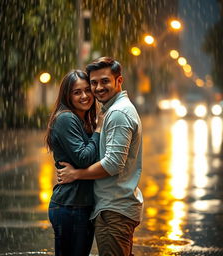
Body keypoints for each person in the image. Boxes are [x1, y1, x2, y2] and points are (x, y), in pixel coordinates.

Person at [57, 57, 144, 256]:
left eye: (104, 81)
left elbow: (112, 164)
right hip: (114, 206)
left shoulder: (118, 113)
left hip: (114, 208)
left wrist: (76, 174)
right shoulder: (112, 111)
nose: (97, 88)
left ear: (119, 81)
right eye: (93, 83)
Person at [45, 70, 103, 256]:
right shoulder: (66, 118)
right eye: (77, 92)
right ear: (67, 95)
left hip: (80, 205)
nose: (85, 96)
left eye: (87, 90)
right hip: (70, 206)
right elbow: (84, 158)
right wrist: (99, 130)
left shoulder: (81, 119)